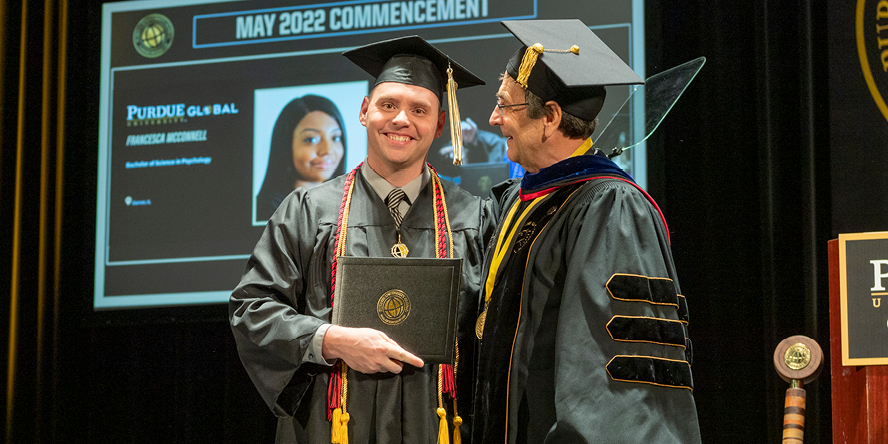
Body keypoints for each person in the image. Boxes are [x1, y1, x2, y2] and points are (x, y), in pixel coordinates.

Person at [230, 35, 494, 444]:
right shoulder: (308, 210)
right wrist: (330, 340)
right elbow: (252, 308)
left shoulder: (474, 218)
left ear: (440, 124)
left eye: (419, 110)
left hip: (437, 422)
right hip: (332, 422)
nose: (401, 120)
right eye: (388, 105)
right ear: (364, 110)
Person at [472, 19, 703, 443]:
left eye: (505, 105)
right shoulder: (521, 200)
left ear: (550, 117)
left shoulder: (611, 206)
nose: (494, 118)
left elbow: (610, 374)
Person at [256, 94, 347, 220]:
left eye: (335, 138)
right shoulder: (267, 210)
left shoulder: (351, 204)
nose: (327, 150)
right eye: (311, 139)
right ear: (286, 144)